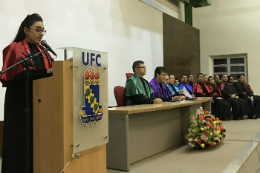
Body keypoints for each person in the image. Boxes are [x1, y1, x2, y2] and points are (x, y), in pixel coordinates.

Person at [0, 14, 54, 173]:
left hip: (38, 102)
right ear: (26, 30)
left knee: (34, 141)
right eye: (38, 30)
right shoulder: (15, 48)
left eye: (43, 31)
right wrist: (48, 71)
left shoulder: (42, 51)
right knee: (19, 141)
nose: (41, 34)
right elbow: (18, 76)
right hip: (18, 102)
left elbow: (51, 73)